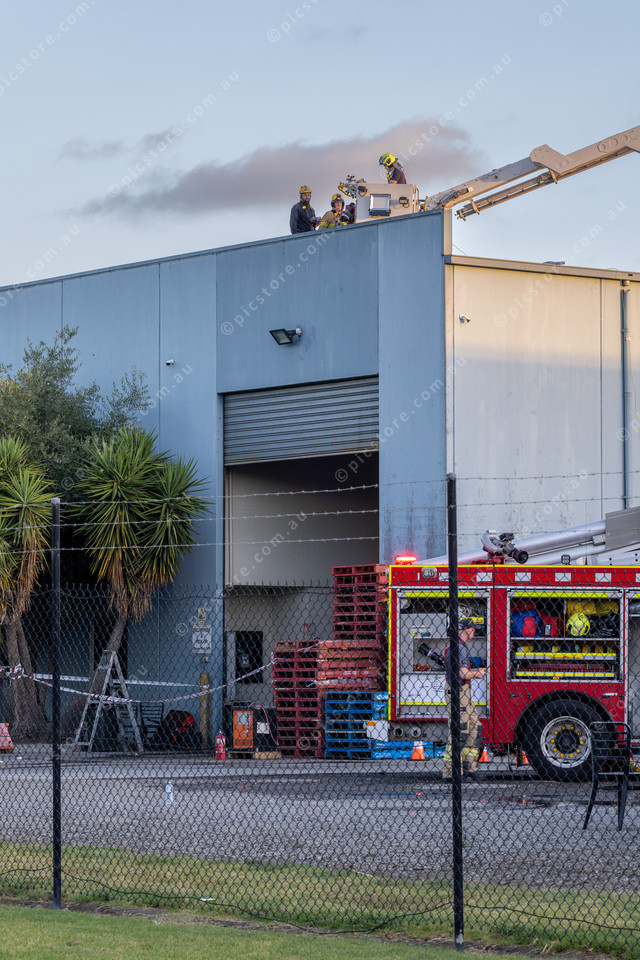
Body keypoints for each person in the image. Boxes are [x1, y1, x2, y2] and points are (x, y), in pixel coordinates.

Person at [442, 618, 486, 781]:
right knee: (460, 731)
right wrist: (478, 673)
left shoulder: (458, 646)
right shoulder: (459, 647)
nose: (474, 633)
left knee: (475, 726)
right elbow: (463, 674)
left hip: (462, 691)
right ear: (467, 630)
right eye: (473, 630)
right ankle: (451, 773)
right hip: (458, 692)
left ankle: (469, 768)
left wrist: (473, 672)